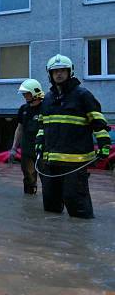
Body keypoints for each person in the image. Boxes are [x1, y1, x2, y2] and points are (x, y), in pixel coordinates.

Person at [35, 54, 111, 219]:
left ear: (70, 72)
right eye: (55, 71)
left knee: (77, 207)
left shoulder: (83, 95)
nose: (59, 74)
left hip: (74, 163)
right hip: (49, 162)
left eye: (63, 70)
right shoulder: (47, 99)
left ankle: (81, 241)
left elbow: (98, 123)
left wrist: (104, 145)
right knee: (50, 207)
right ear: (50, 74)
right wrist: (39, 142)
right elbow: (42, 126)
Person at [10, 79, 45, 195]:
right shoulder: (23, 109)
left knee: (47, 179)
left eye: (27, 93)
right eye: (24, 94)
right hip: (27, 150)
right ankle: (30, 199)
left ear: (34, 92)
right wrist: (14, 148)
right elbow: (19, 129)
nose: (25, 96)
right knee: (28, 178)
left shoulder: (46, 108)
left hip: (43, 151)